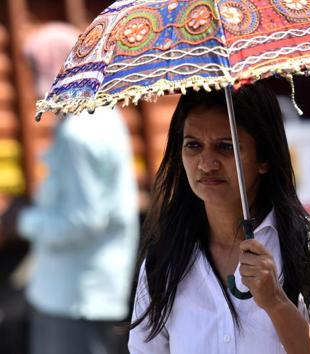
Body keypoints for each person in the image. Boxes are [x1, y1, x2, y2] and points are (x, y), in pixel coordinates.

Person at [128, 82, 310, 354]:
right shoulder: (163, 262)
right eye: (193, 145)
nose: (206, 163)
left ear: (264, 157)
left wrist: (277, 302)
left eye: (226, 147)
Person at [0, 22, 140, 354]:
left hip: (76, 296)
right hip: (76, 291)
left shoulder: (81, 131)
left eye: (38, 67)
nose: (35, 82)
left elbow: (83, 220)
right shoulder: (98, 117)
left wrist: (21, 221)